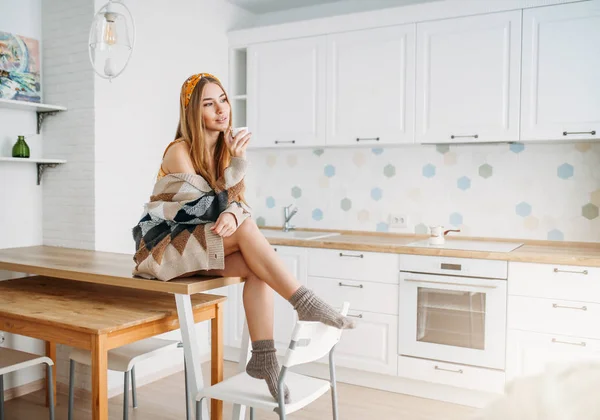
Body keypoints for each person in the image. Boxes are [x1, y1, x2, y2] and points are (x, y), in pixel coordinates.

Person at [132, 73, 355, 403]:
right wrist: (236, 177)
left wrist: (234, 208)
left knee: (256, 267)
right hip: (163, 247)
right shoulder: (179, 151)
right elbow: (198, 211)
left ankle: (263, 357)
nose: (221, 110)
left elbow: (235, 205)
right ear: (193, 112)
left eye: (223, 99)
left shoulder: (223, 150)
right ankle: (304, 302)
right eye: (209, 104)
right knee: (247, 231)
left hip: (194, 242)